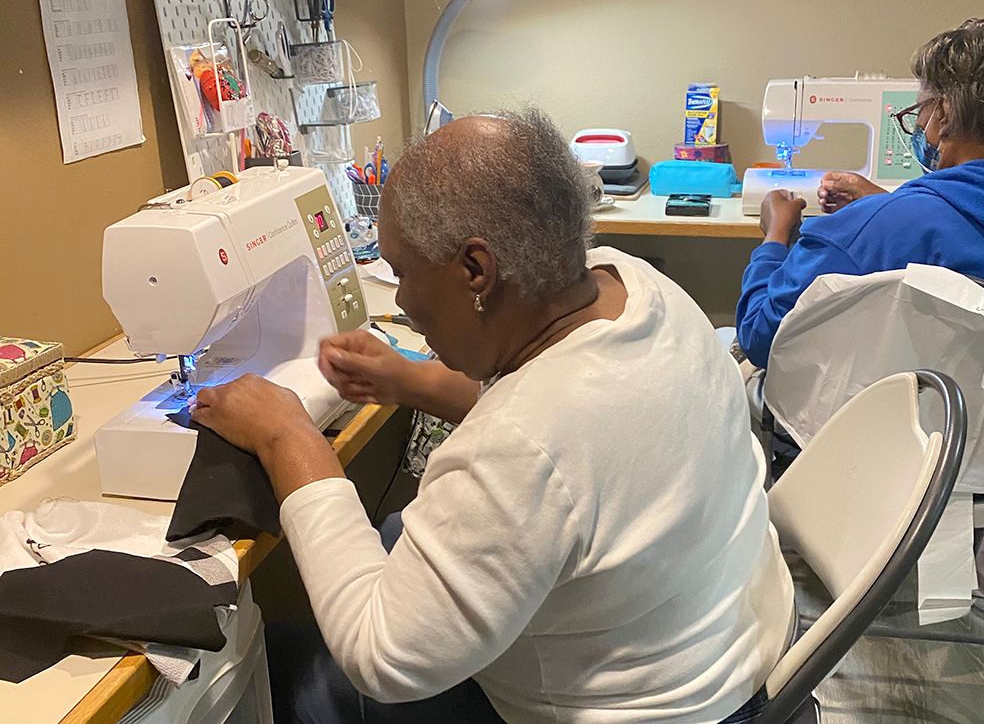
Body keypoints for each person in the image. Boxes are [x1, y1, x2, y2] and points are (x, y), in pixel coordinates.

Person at [191, 110, 795, 724]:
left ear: (477, 269)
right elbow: (569, 443)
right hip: (719, 641)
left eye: (402, 273)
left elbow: (381, 659)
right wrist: (409, 379)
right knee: (398, 531)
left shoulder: (521, 446)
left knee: (280, 675)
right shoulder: (635, 285)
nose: (399, 300)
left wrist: (286, 436)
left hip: (653, 708)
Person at [737, 14, 984, 372]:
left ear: (943, 113)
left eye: (920, 108)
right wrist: (886, 204)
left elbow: (759, 336)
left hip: (887, 423)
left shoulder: (878, 227)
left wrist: (774, 237)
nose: (918, 122)